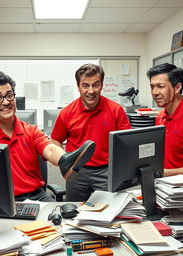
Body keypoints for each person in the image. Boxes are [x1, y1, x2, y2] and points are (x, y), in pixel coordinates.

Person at [0, 71, 95, 202]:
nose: (6, 102)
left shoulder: (31, 130)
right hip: (1, 200)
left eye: (9, 96)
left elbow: (49, 149)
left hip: (37, 196)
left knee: (61, 219)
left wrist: (63, 159)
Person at [51, 63, 131, 201]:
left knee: (109, 213)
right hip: (77, 172)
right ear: (78, 87)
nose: (91, 91)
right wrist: (65, 162)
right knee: (75, 216)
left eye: (95, 85)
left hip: (107, 171)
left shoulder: (116, 110)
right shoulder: (67, 113)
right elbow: (55, 140)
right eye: (85, 85)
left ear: (102, 85)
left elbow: (127, 142)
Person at [147, 63, 183, 177]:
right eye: (152, 87)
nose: (155, 92)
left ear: (177, 88)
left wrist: (162, 173)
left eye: (160, 86)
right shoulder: (160, 116)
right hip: (163, 187)